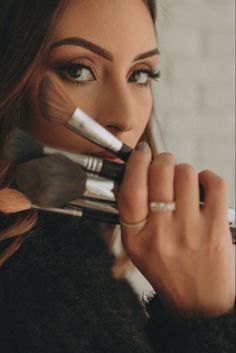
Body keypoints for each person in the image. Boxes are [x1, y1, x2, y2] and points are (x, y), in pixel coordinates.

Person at [0, 1, 235, 352]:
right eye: (78, 70)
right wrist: (204, 317)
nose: (125, 117)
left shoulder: (85, 262)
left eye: (140, 74)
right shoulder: (26, 296)